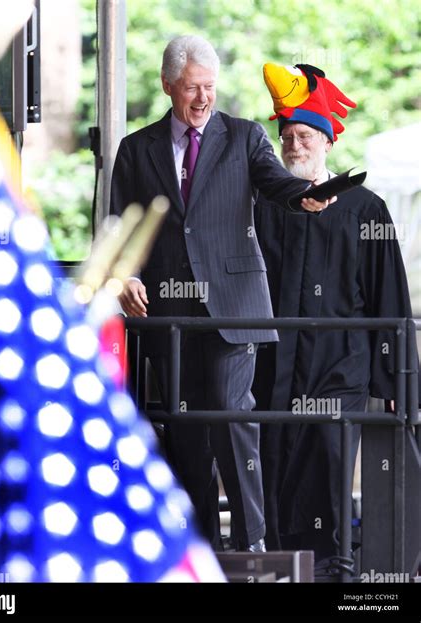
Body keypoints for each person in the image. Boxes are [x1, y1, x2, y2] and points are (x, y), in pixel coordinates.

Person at [110, 37, 331, 552]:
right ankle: (202, 547)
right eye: (192, 88)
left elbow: (277, 182)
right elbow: (119, 225)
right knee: (186, 431)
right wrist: (127, 274)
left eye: (210, 87)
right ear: (168, 86)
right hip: (168, 311)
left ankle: (252, 543)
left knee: (232, 415)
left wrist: (307, 195)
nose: (204, 98)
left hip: (234, 307)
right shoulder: (137, 149)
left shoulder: (244, 136)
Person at [252, 62, 417, 574]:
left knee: (328, 466)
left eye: (304, 136)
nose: (294, 145)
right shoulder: (264, 205)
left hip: (339, 368)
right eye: (287, 136)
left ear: (326, 142)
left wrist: (396, 378)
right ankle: (281, 565)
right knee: (272, 464)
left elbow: (389, 295)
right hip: (273, 367)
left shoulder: (364, 209)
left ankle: (334, 567)